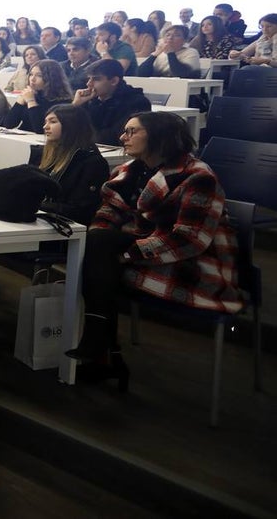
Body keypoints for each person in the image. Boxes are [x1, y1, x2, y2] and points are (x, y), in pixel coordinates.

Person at [67, 112, 244, 389]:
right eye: (124, 130)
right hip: (149, 246)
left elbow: (190, 240)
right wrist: (101, 233)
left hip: (192, 262)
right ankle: (101, 346)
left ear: (160, 136)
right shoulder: (131, 170)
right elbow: (109, 210)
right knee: (97, 247)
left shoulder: (198, 177)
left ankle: (102, 350)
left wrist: (127, 254)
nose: (122, 137)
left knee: (99, 257)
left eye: (131, 131)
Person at [28, 105, 110, 225]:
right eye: (45, 122)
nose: (45, 126)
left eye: (53, 121)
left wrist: (37, 204)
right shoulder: (42, 154)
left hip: (66, 225)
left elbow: (80, 210)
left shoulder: (92, 163)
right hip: (41, 217)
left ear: (70, 125)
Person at [72, 59, 152, 145]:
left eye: (96, 79)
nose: (89, 84)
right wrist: (76, 105)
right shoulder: (89, 100)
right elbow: (66, 131)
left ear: (114, 81)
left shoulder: (137, 102)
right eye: (89, 79)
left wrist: (80, 137)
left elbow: (115, 137)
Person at [1, 59, 73, 134]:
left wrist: (31, 101)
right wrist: (20, 102)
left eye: (39, 75)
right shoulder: (31, 94)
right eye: (31, 74)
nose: (32, 79)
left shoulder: (62, 101)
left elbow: (40, 129)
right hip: (24, 138)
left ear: (51, 78)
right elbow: (9, 124)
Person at [136, 24, 200, 78]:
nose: (170, 37)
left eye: (176, 35)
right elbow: (140, 74)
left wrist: (170, 53)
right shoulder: (160, 54)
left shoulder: (191, 52)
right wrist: (154, 55)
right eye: (168, 35)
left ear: (184, 40)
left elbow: (182, 74)